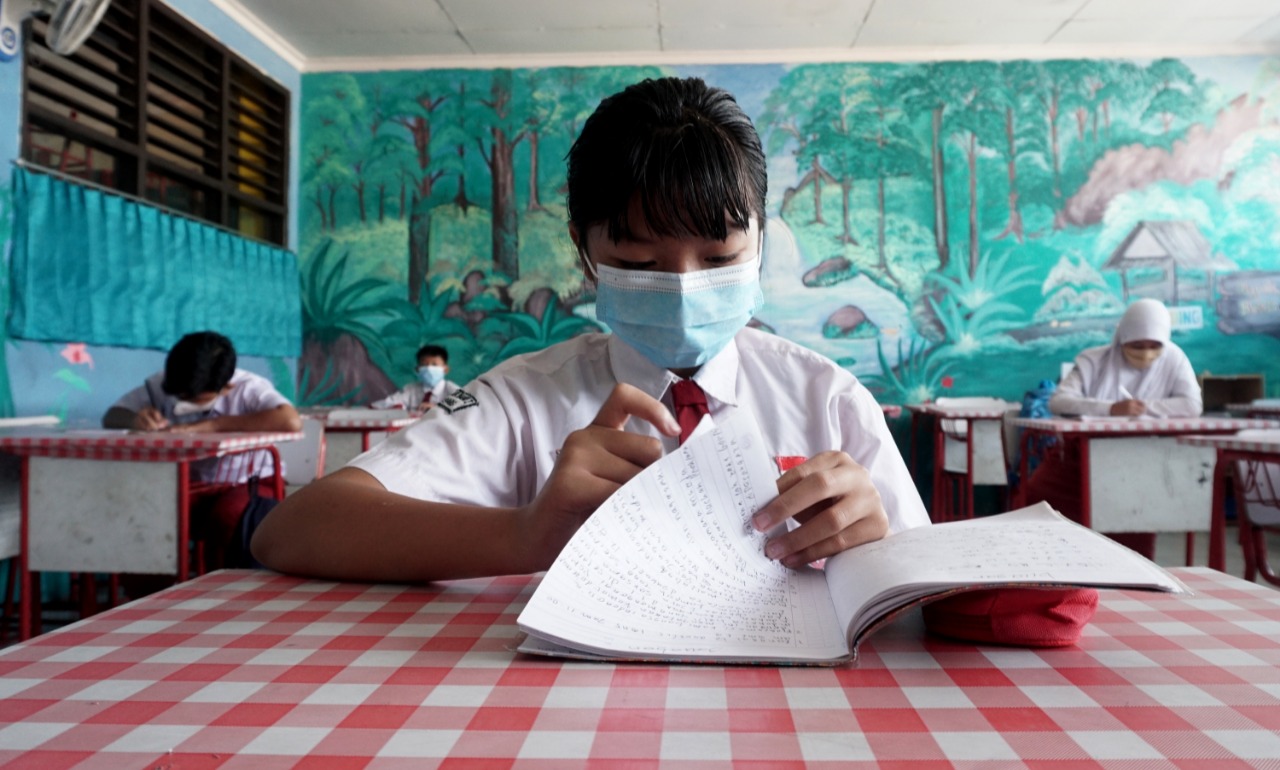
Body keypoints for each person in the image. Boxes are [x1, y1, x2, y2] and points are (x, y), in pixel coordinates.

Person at [251, 76, 929, 584]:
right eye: (639, 264)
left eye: (720, 259)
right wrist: (524, 536)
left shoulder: (831, 401)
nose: (683, 288)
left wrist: (879, 547)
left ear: (760, 244)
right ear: (585, 254)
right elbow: (295, 529)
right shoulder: (519, 400)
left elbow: (929, 581)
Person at [105, 330, 303, 570]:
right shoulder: (163, 384)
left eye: (195, 399)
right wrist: (134, 419)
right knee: (148, 513)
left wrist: (212, 425)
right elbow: (112, 416)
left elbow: (290, 420)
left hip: (249, 480)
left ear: (227, 387)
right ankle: (153, 590)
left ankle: (219, 586)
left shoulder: (249, 388)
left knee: (229, 517)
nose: (184, 402)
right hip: (186, 483)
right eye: (181, 396)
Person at [1020, 298, 1203, 557]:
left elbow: (1192, 405)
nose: (1146, 353)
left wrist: (1143, 407)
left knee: (1129, 530)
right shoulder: (1093, 361)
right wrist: (1111, 409)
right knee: (1037, 498)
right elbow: (1059, 401)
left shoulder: (1174, 358)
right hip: (1078, 459)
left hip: (1140, 464)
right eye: (1136, 346)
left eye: (1154, 346)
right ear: (1122, 338)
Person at [370, 344, 459, 412]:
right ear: (417, 369)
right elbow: (389, 402)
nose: (429, 368)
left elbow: (463, 406)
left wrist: (437, 408)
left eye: (434, 364)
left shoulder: (451, 389)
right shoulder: (410, 389)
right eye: (424, 364)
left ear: (445, 369)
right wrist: (398, 407)